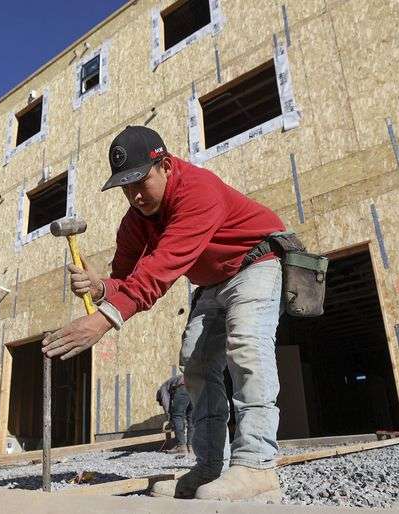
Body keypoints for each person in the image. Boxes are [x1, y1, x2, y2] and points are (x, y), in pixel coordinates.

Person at [42, 125, 286, 502]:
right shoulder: (135, 220)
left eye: (141, 180)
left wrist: (103, 319)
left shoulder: (198, 191)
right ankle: (208, 468)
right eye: (125, 186)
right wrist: (100, 287)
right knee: (197, 365)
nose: (135, 195)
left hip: (254, 264)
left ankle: (257, 467)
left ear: (166, 165)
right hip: (210, 283)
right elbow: (126, 280)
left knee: (247, 348)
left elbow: (161, 268)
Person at [157, 374, 192, 454]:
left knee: (176, 416)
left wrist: (169, 416)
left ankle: (181, 447)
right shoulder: (171, 384)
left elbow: (166, 403)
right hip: (196, 385)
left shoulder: (162, 389)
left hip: (183, 386)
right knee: (191, 417)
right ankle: (191, 446)